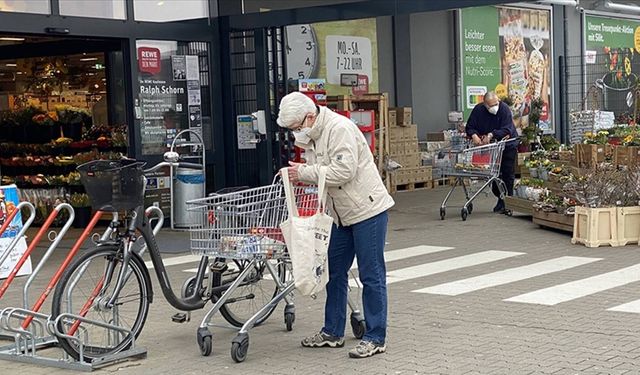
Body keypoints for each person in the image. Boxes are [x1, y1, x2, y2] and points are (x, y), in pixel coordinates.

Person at [277, 91, 394, 359]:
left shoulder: (339, 128)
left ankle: (376, 336)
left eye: (297, 127)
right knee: (333, 271)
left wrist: (303, 173)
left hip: (368, 210)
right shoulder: (314, 134)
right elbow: (320, 169)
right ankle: (332, 331)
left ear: (309, 117)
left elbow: (344, 171)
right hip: (341, 214)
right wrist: (304, 170)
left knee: (371, 275)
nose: (297, 133)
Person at [465, 92, 518, 213]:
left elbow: (507, 128)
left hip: (507, 145)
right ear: (485, 104)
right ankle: (500, 198)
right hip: (491, 148)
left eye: (496, 103)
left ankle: (507, 202)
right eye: (491, 105)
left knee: (507, 174)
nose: (495, 107)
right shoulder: (478, 110)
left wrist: (491, 134)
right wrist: (474, 135)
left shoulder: (504, 109)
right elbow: (470, 126)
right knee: (493, 175)